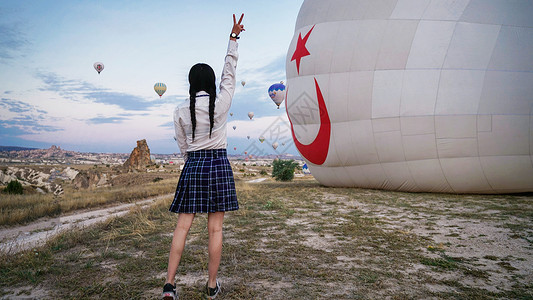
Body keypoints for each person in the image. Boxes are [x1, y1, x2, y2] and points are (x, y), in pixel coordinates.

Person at [162, 13, 245, 300]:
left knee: (182, 227)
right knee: (215, 229)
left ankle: (170, 285)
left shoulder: (180, 110)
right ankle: (211, 286)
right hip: (218, 164)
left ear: (190, 82)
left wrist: (192, 161)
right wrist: (233, 40)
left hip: (194, 165)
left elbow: (182, 144)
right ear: (210, 82)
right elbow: (229, 75)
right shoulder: (221, 102)